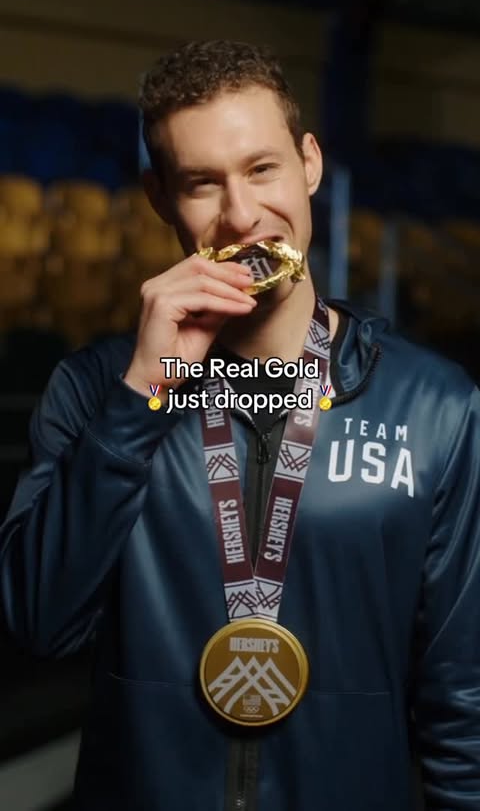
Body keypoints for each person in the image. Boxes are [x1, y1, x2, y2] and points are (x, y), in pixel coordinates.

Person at [1, 40, 479, 811]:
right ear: (160, 198)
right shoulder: (96, 393)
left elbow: (468, 702)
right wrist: (144, 395)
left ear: (310, 164)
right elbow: (39, 622)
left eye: (262, 169)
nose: (243, 214)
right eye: (202, 183)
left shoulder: (437, 408)